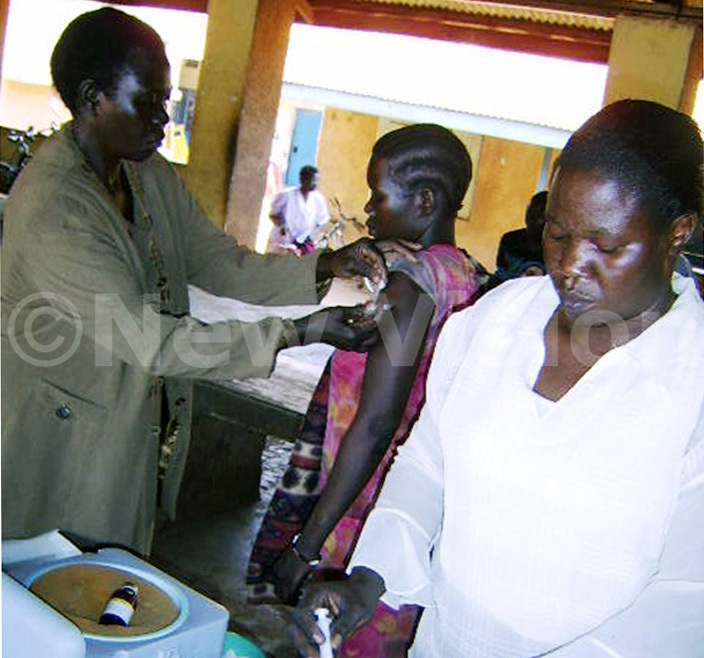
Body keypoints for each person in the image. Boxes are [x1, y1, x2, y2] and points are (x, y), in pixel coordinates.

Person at [290, 99, 704, 658]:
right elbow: (428, 462)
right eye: (557, 235)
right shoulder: (497, 320)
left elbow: (685, 599)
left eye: (605, 247)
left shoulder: (690, 382)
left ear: (678, 232)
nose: (569, 266)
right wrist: (371, 577)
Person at [0, 7, 409, 557]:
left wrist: (322, 266)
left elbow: (219, 262)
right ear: (93, 98)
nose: (162, 118)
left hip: (122, 423)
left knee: (105, 578)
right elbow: (156, 341)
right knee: (56, 587)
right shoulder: (57, 208)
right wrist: (297, 333)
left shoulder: (143, 172)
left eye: (164, 99)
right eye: (145, 101)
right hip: (63, 433)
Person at [247, 124, 489, 656]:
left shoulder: (410, 286)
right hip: (402, 503)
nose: (368, 207)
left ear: (424, 201)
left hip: (364, 507)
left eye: (378, 195)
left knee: (341, 637)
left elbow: (377, 424)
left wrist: (305, 547)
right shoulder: (462, 273)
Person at [268, 165, 330, 255]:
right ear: (303, 180)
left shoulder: (318, 200)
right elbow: (273, 214)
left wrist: (308, 237)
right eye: (313, 180)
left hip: (301, 245)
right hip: (283, 240)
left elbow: (322, 221)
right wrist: (282, 225)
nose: (316, 183)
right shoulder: (286, 195)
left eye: (317, 180)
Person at [494, 189, 548, 282]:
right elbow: (501, 271)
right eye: (531, 213)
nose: (537, 221)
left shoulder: (554, 248)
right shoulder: (510, 239)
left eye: (542, 215)